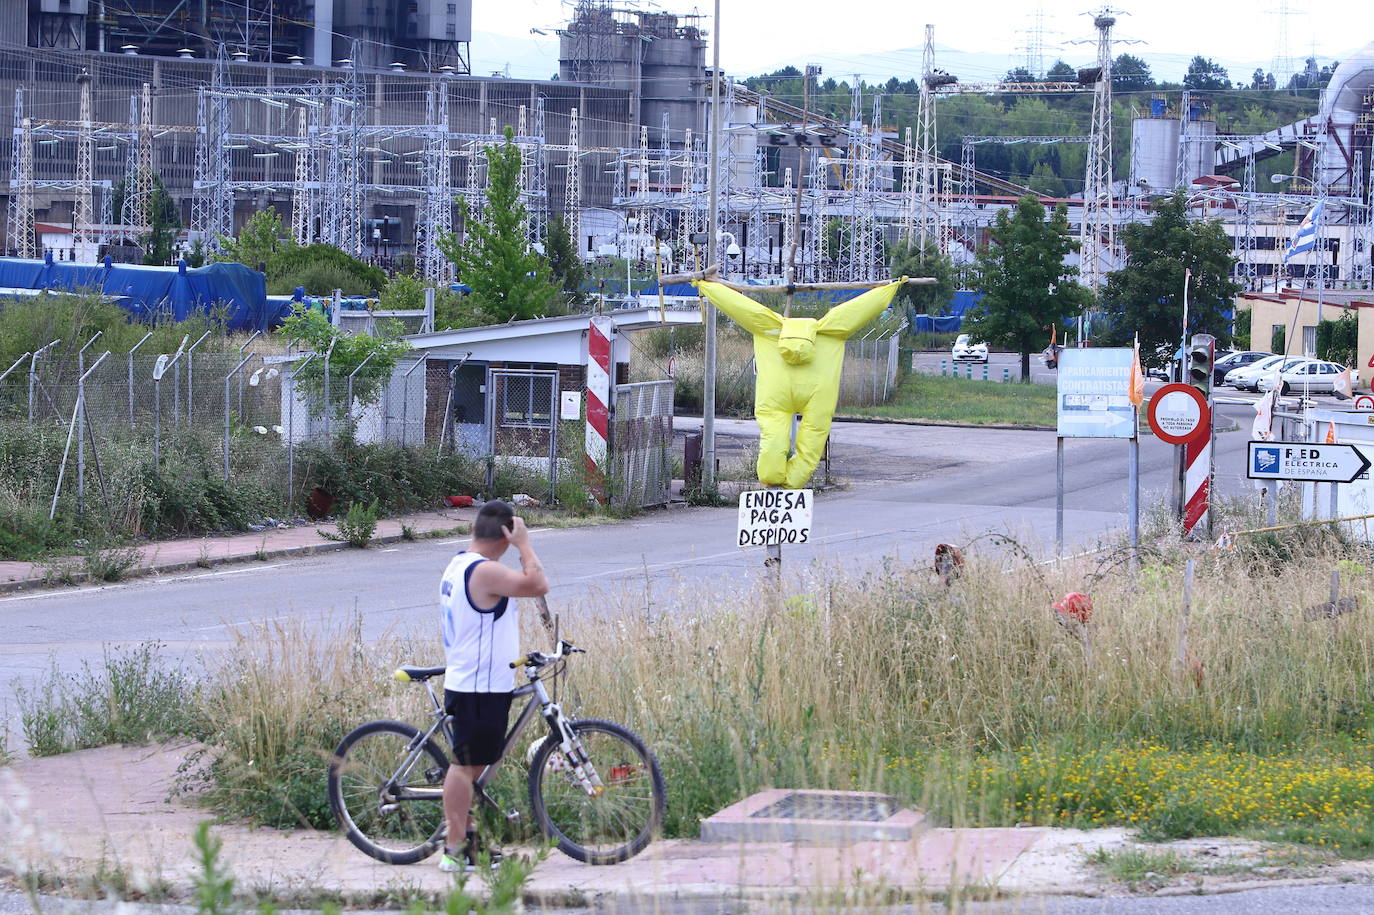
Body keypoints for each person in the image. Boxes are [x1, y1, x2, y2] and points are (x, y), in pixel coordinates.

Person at [438, 500, 549, 872]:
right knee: (465, 766)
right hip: (477, 685)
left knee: (478, 762)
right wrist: (524, 545)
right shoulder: (484, 571)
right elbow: (537, 584)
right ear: (504, 535)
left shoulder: (459, 563)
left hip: (479, 680)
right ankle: (454, 851)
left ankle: (468, 838)